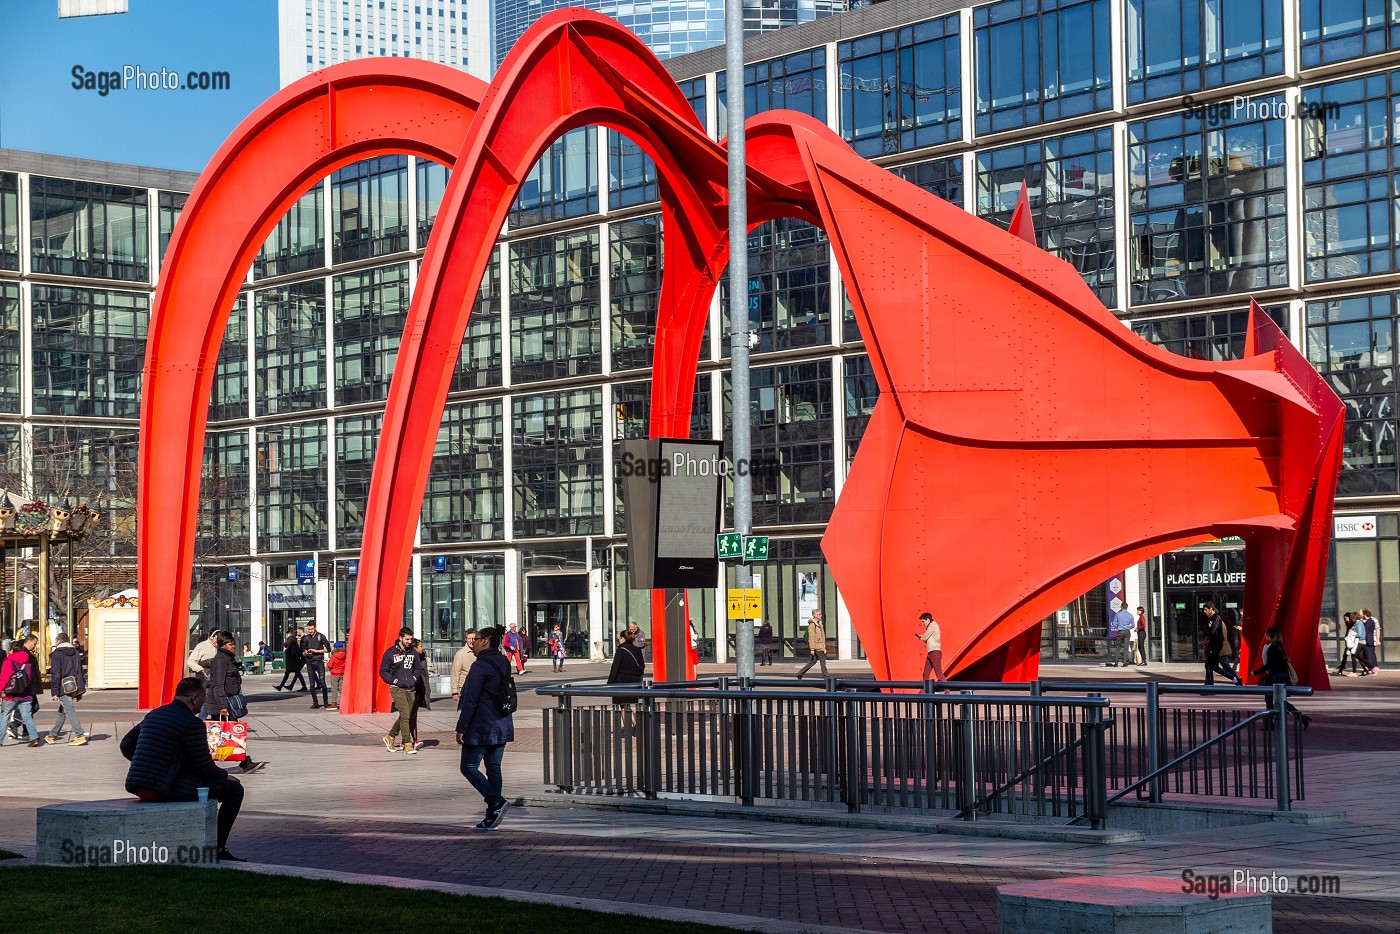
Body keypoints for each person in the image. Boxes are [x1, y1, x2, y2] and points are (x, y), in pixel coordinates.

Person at [121, 677, 247, 861]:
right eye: (204, 697)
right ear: (194, 698)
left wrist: (149, 763)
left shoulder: (155, 714)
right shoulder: (192, 723)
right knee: (234, 791)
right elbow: (204, 767)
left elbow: (126, 744)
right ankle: (217, 848)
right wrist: (225, 776)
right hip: (163, 789)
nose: (204, 701)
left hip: (138, 785)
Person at [456, 626, 514, 830]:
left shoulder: (480, 666)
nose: (473, 642)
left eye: (477, 639)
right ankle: (492, 816)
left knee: (468, 767)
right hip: (502, 723)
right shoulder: (503, 661)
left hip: (482, 725)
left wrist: (462, 727)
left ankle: (496, 801)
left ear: (486, 641)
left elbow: (471, 699)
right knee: (494, 769)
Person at [208, 633, 267, 775]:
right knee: (227, 733)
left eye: (234, 643)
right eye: (230, 644)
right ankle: (245, 763)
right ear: (222, 645)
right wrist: (222, 705)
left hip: (226, 701)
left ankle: (244, 762)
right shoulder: (221, 660)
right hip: (222, 703)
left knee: (220, 735)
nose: (233, 646)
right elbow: (217, 685)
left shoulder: (227, 658)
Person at [1251, 627, 1311, 730]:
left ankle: (1273, 723)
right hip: (1279, 676)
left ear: (1271, 635)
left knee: (1273, 700)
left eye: (1267, 634)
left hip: (1275, 677)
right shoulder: (1278, 646)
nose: (1266, 635)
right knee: (1277, 700)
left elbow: (1269, 665)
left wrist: (1256, 672)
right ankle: (1299, 718)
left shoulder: (1272, 648)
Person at [379, 627, 423, 754]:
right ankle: (407, 743)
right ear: (401, 638)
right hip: (397, 688)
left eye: (411, 639)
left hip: (411, 688)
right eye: (407, 639)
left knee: (406, 715)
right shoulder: (390, 653)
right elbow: (383, 671)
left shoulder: (413, 653)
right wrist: (395, 681)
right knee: (405, 715)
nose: (409, 641)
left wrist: (414, 678)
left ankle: (390, 736)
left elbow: (418, 668)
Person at [45, 632, 88, 746]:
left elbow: (56, 674)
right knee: (62, 712)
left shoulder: (57, 654)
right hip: (74, 686)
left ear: (58, 641)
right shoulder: (75, 652)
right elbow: (80, 671)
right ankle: (52, 736)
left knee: (69, 711)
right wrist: (80, 690)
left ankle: (80, 735)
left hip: (63, 687)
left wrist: (55, 692)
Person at [0, 633, 41, 747]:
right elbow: (29, 679)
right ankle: (34, 738)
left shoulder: (8, 662)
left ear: (13, 650)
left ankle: (0, 740)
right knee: (27, 716)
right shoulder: (28, 662)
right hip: (26, 694)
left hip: (10, 695)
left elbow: (4, 679)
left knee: (4, 716)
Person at [1201, 603, 1241, 686]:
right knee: (1212, 666)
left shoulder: (1217, 619)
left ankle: (1235, 679)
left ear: (1211, 609)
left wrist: (1207, 634)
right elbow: (1209, 631)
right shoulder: (1210, 619)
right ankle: (1235, 679)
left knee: (1217, 665)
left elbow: (1213, 632)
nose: (1204, 611)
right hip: (1215, 646)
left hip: (1219, 647)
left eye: (1205, 609)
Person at [606, 626, 646, 704]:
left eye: (620, 638)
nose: (619, 639)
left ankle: (629, 717)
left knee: (623, 706)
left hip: (621, 683)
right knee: (630, 704)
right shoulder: (637, 650)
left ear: (623, 639)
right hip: (634, 681)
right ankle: (631, 717)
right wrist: (638, 673)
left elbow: (615, 668)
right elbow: (642, 665)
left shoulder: (620, 651)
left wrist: (609, 683)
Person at [408, 638, 433, 752]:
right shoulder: (411, 659)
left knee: (413, 715)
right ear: (414, 648)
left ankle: (414, 740)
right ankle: (404, 739)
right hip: (411, 690)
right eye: (420, 646)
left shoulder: (421, 658)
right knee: (408, 716)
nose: (422, 648)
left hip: (419, 690)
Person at [300, 622, 332, 708]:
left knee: (322, 683)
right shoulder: (305, 638)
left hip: (319, 661)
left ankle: (326, 702)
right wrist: (306, 653)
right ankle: (315, 702)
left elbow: (328, 649)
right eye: (309, 629)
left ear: (315, 628)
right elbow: (302, 652)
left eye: (312, 629)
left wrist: (316, 651)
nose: (310, 631)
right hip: (310, 662)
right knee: (311, 684)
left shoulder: (320, 636)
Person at [797, 610, 829, 679]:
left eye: (821, 614)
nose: (821, 615)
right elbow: (811, 637)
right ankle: (825, 676)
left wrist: (824, 646)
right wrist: (812, 649)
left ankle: (800, 673)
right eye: (819, 614)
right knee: (822, 661)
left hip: (820, 645)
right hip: (816, 646)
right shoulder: (812, 625)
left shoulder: (820, 624)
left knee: (813, 661)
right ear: (815, 615)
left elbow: (822, 636)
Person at [915, 612, 945, 683]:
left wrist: (921, 637)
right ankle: (923, 692)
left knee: (939, 674)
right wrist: (922, 638)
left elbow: (925, 637)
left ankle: (947, 691)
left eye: (923, 621)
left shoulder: (932, 626)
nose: (922, 623)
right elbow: (927, 640)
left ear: (928, 620)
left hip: (934, 653)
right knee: (926, 674)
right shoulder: (932, 626)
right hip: (931, 653)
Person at [451, 629, 478, 702]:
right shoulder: (460, 654)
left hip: (478, 688)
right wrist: (455, 691)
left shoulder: (480, 652)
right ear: (466, 639)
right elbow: (455, 673)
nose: (471, 641)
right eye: (469, 638)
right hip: (464, 688)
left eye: (473, 639)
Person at [326, 641, 347, 709]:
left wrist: (327, 663)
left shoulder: (334, 656)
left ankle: (334, 703)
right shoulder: (346, 655)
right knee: (342, 689)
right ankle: (343, 703)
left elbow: (330, 665)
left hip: (334, 674)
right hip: (343, 673)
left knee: (334, 689)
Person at [1361, 609, 1381, 674]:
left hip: (1370, 639)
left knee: (1369, 654)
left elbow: (1377, 629)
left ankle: (1372, 667)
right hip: (1371, 639)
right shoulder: (1368, 620)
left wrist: (1377, 640)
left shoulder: (1371, 620)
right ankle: (1374, 666)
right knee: (1371, 654)